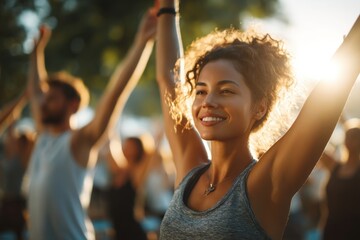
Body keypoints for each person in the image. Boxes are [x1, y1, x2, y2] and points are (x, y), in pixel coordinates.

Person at [155, 0, 360, 238]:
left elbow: (328, 97)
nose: (207, 101)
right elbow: (168, 80)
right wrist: (167, 9)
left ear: (259, 108)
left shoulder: (265, 183)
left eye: (226, 91)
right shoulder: (189, 172)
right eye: (201, 90)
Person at [26, 6, 156, 240]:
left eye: (52, 99)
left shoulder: (78, 141)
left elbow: (114, 93)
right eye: (44, 100)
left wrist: (142, 43)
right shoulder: (43, 137)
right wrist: (36, 52)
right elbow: (35, 90)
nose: (44, 104)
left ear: (73, 105)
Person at [320, 118, 360, 240]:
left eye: (354, 136)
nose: (349, 140)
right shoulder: (335, 167)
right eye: (347, 136)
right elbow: (317, 146)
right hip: (330, 230)